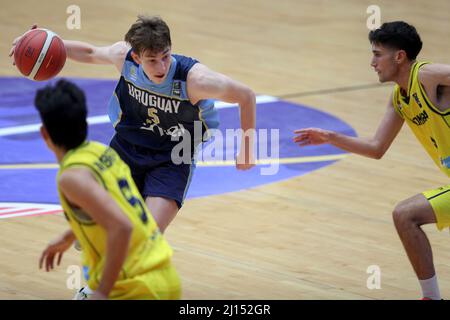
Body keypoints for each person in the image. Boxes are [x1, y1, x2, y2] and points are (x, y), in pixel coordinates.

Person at [10, 15, 256, 233]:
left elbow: (246, 96)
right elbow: (90, 53)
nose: (161, 66)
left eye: (166, 56)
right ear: (136, 57)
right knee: (92, 221)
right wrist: (44, 44)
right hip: (126, 148)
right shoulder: (124, 58)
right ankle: (96, 279)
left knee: (145, 236)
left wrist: (247, 148)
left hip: (172, 158)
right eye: (152, 60)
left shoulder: (196, 80)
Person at [294, 21, 450, 300]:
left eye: (377, 54)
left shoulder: (427, 75)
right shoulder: (399, 100)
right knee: (405, 215)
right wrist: (330, 137)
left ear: (399, 56)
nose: (372, 62)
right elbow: (376, 147)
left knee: (406, 214)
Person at [36, 79, 181, 300]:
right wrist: (68, 236)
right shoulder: (102, 153)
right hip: (163, 276)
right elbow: (117, 210)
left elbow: (122, 226)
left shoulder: (71, 177)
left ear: (44, 134)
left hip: (133, 287)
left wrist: (101, 292)